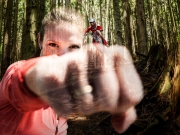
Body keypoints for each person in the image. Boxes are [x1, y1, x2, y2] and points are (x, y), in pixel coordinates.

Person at [0, 7, 143, 135]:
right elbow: (21, 81)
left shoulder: (65, 95)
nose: (62, 56)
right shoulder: (16, 71)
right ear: (39, 40)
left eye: (74, 47)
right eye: (53, 44)